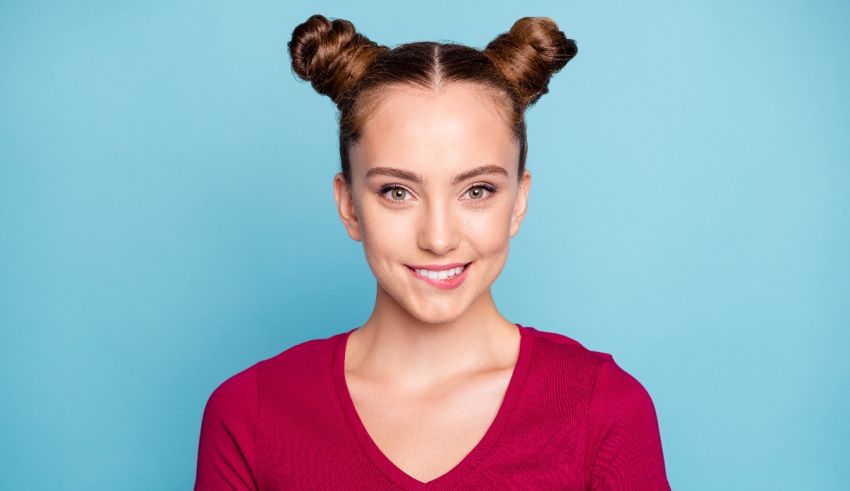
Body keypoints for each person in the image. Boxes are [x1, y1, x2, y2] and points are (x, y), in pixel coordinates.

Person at [194, 14, 670, 490]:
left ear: (518, 201)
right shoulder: (250, 413)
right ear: (349, 205)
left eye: (478, 190)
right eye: (397, 192)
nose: (439, 239)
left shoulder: (602, 409)